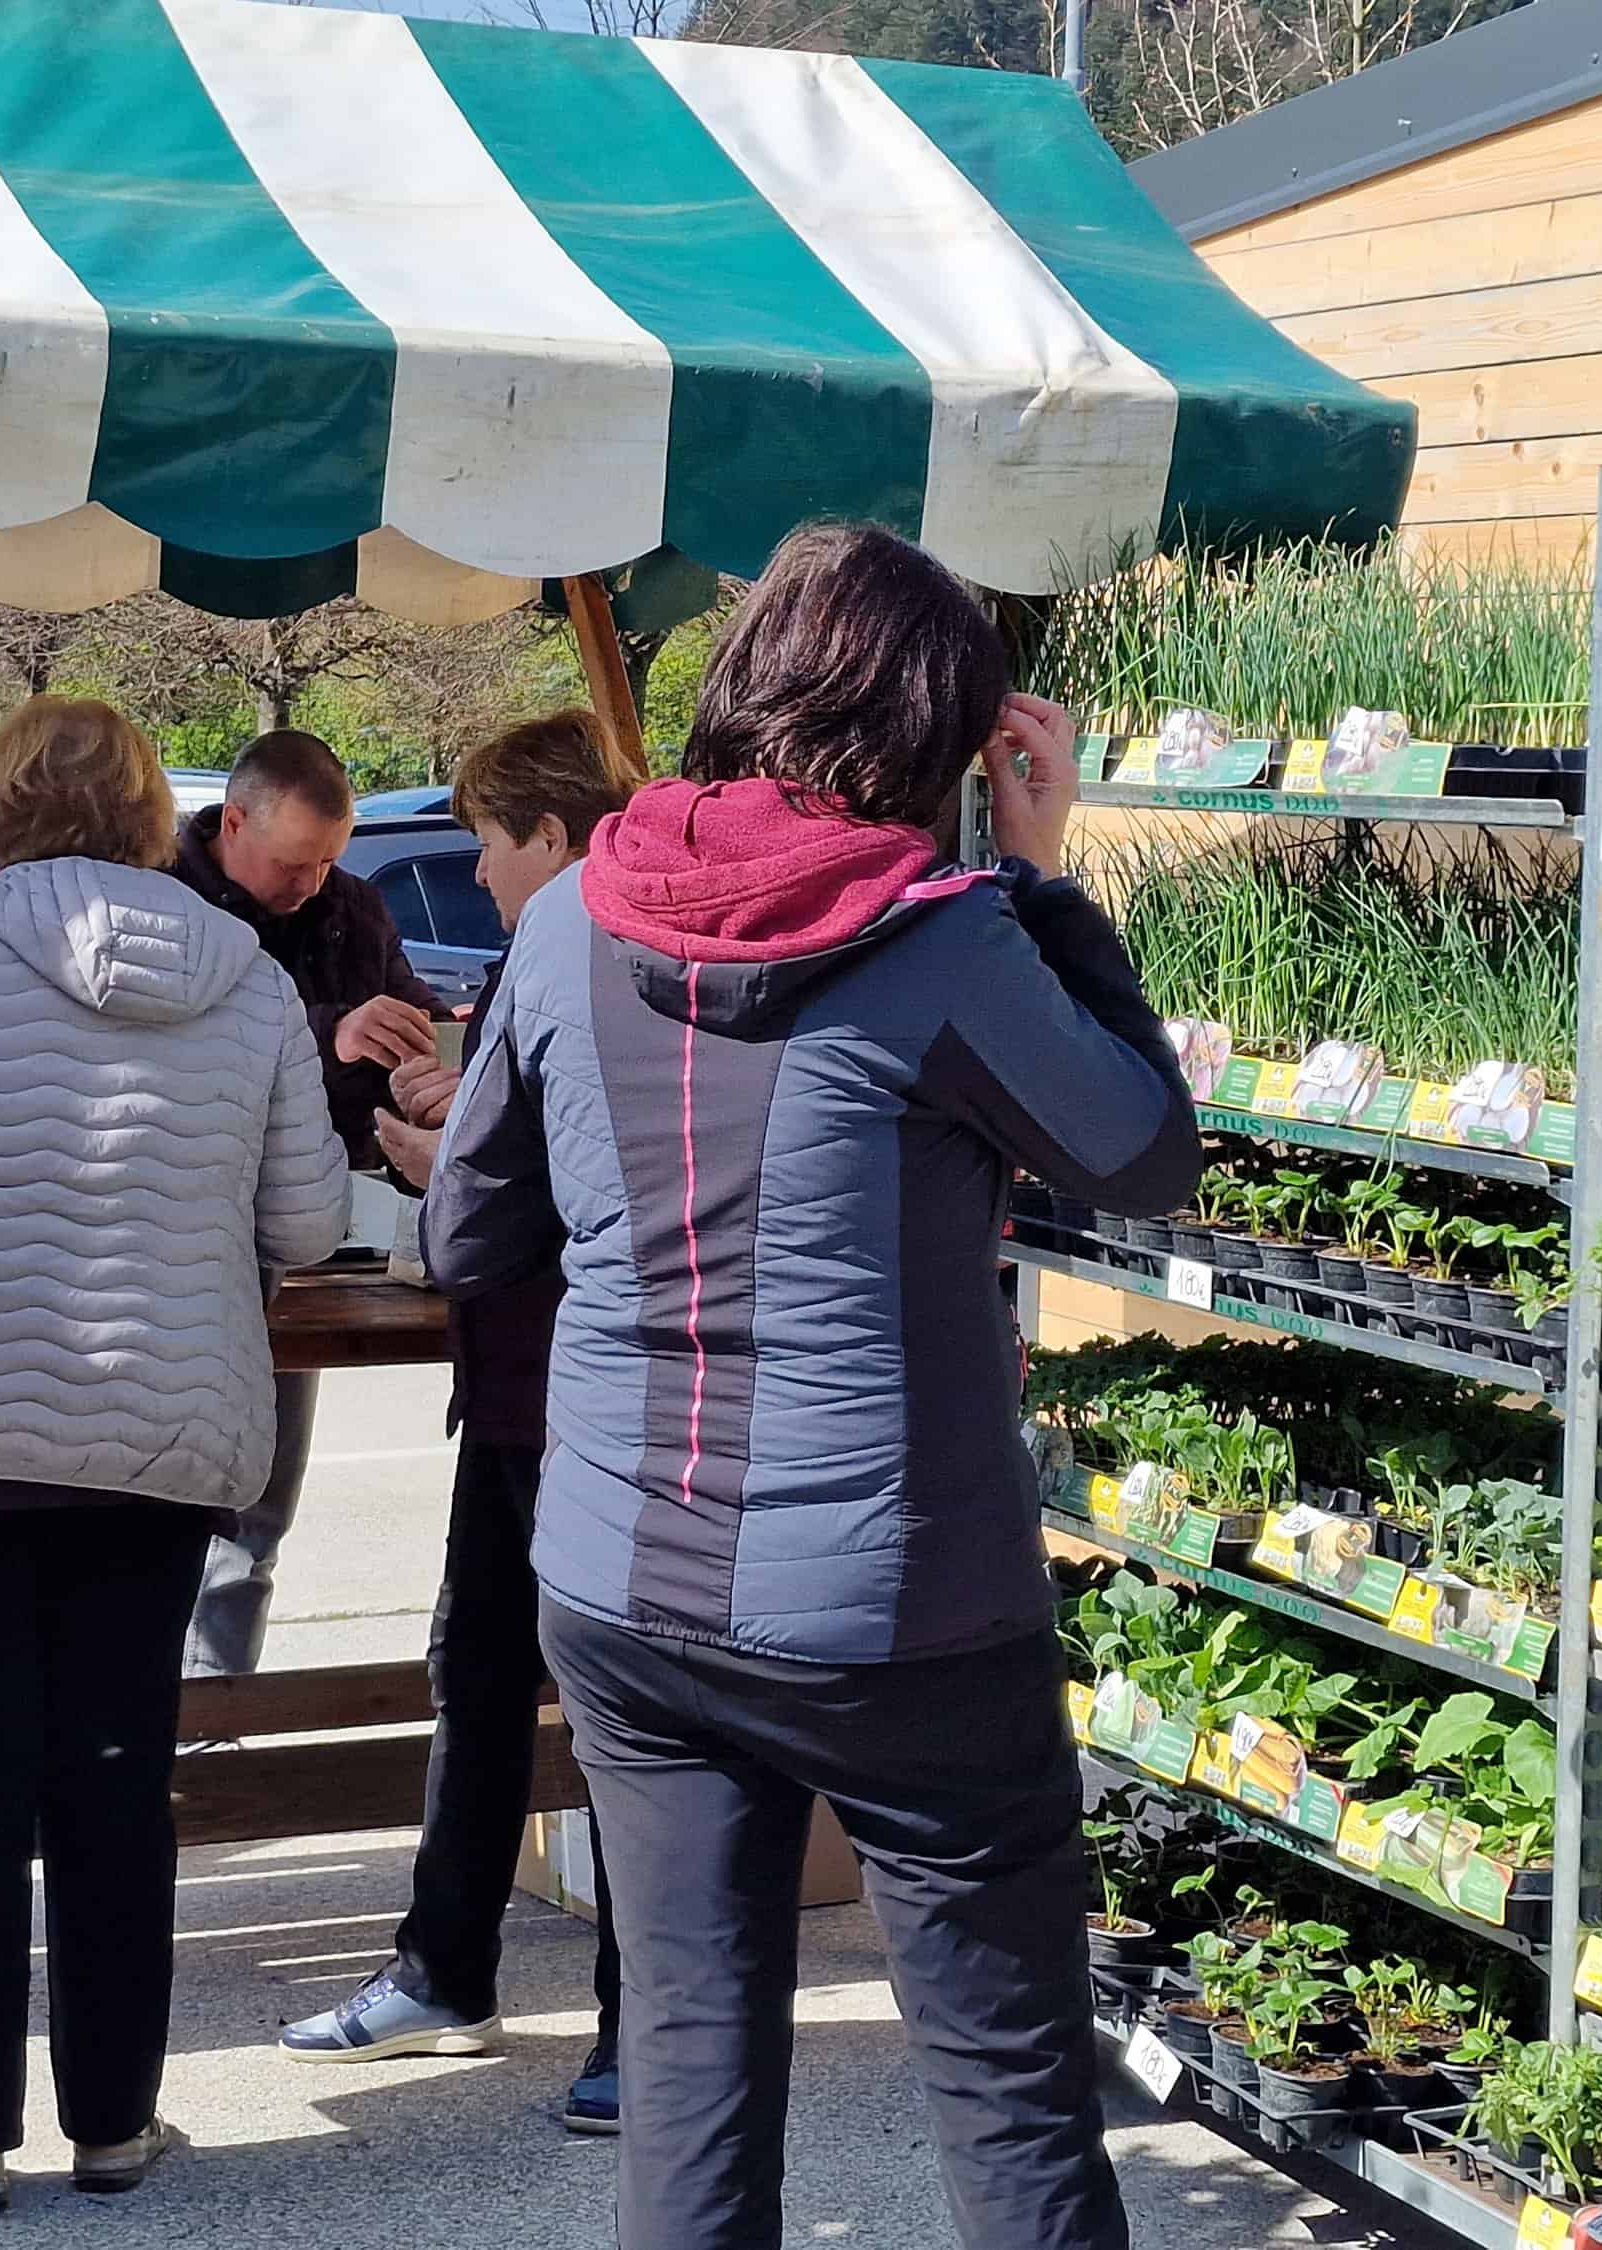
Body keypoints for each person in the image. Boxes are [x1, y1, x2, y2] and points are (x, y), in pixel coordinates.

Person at [423, 524, 1202, 2250]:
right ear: (938, 732)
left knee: (688, 2064)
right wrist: (1044, 875)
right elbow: (1142, 1154)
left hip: (623, 1581)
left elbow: (466, 1231)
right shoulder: (949, 940)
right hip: (898, 1608)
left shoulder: (569, 922)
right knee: (1007, 2083)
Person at [0, 697, 350, 2218]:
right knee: (114, 1774)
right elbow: (307, 1221)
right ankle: (113, 2125)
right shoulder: (248, 975)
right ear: (159, 815)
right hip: (159, 1427)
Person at [278, 710, 641, 2135]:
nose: (476, 873)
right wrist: (464, 1100)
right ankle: (443, 1969)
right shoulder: (547, 954)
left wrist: (450, 1165)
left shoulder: (626, 950)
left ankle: (639, 2026)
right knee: (476, 1670)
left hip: (588, 1393)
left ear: (550, 835)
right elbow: (534, 1131)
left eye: (489, 842)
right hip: (507, 1393)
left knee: (615, 1716)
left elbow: (576, 1186)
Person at [170, 729, 436, 1676]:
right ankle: (155, 1720)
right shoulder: (159, 896)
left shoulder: (351, 906)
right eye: (294, 863)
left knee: (256, 1513)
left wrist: (416, 1061)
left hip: (313, 1234)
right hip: (181, 1241)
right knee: (159, 1513)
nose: (311, 884)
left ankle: (215, 1711)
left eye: (329, 860)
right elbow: (184, 1049)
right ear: (233, 822)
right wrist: (331, 1031)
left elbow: (401, 1017)